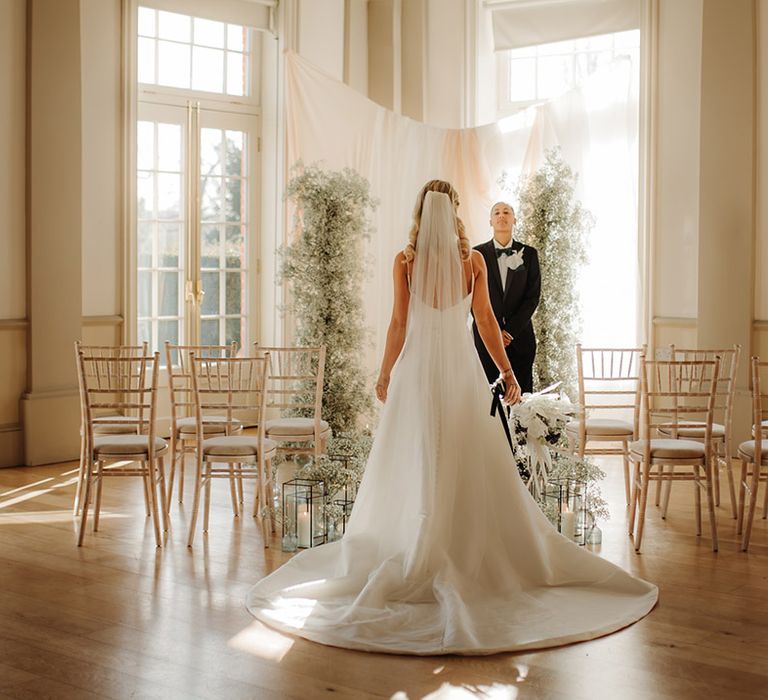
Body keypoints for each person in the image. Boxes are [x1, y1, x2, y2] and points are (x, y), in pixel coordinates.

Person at [246, 180, 657, 655]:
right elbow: (484, 322)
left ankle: (419, 537)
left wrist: (384, 374)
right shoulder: (473, 261)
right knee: (464, 450)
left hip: (419, 371)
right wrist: (506, 373)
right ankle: (461, 545)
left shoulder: (406, 261)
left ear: (421, 210)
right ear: (456, 211)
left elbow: (400, 324)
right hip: (461, 370)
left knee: (417, 452)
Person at [473, 201, 540, 394]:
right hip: (485, 340)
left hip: (520, 339)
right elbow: (470, 296)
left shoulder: (529, 254)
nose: (501, 216)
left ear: (514, 219)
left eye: (506, 212)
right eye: (497, 213)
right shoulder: (476, 254)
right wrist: (494, 332)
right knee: (487, 397)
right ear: (490, 221)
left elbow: (532, 297)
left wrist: (509, 332)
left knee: (521, 398)